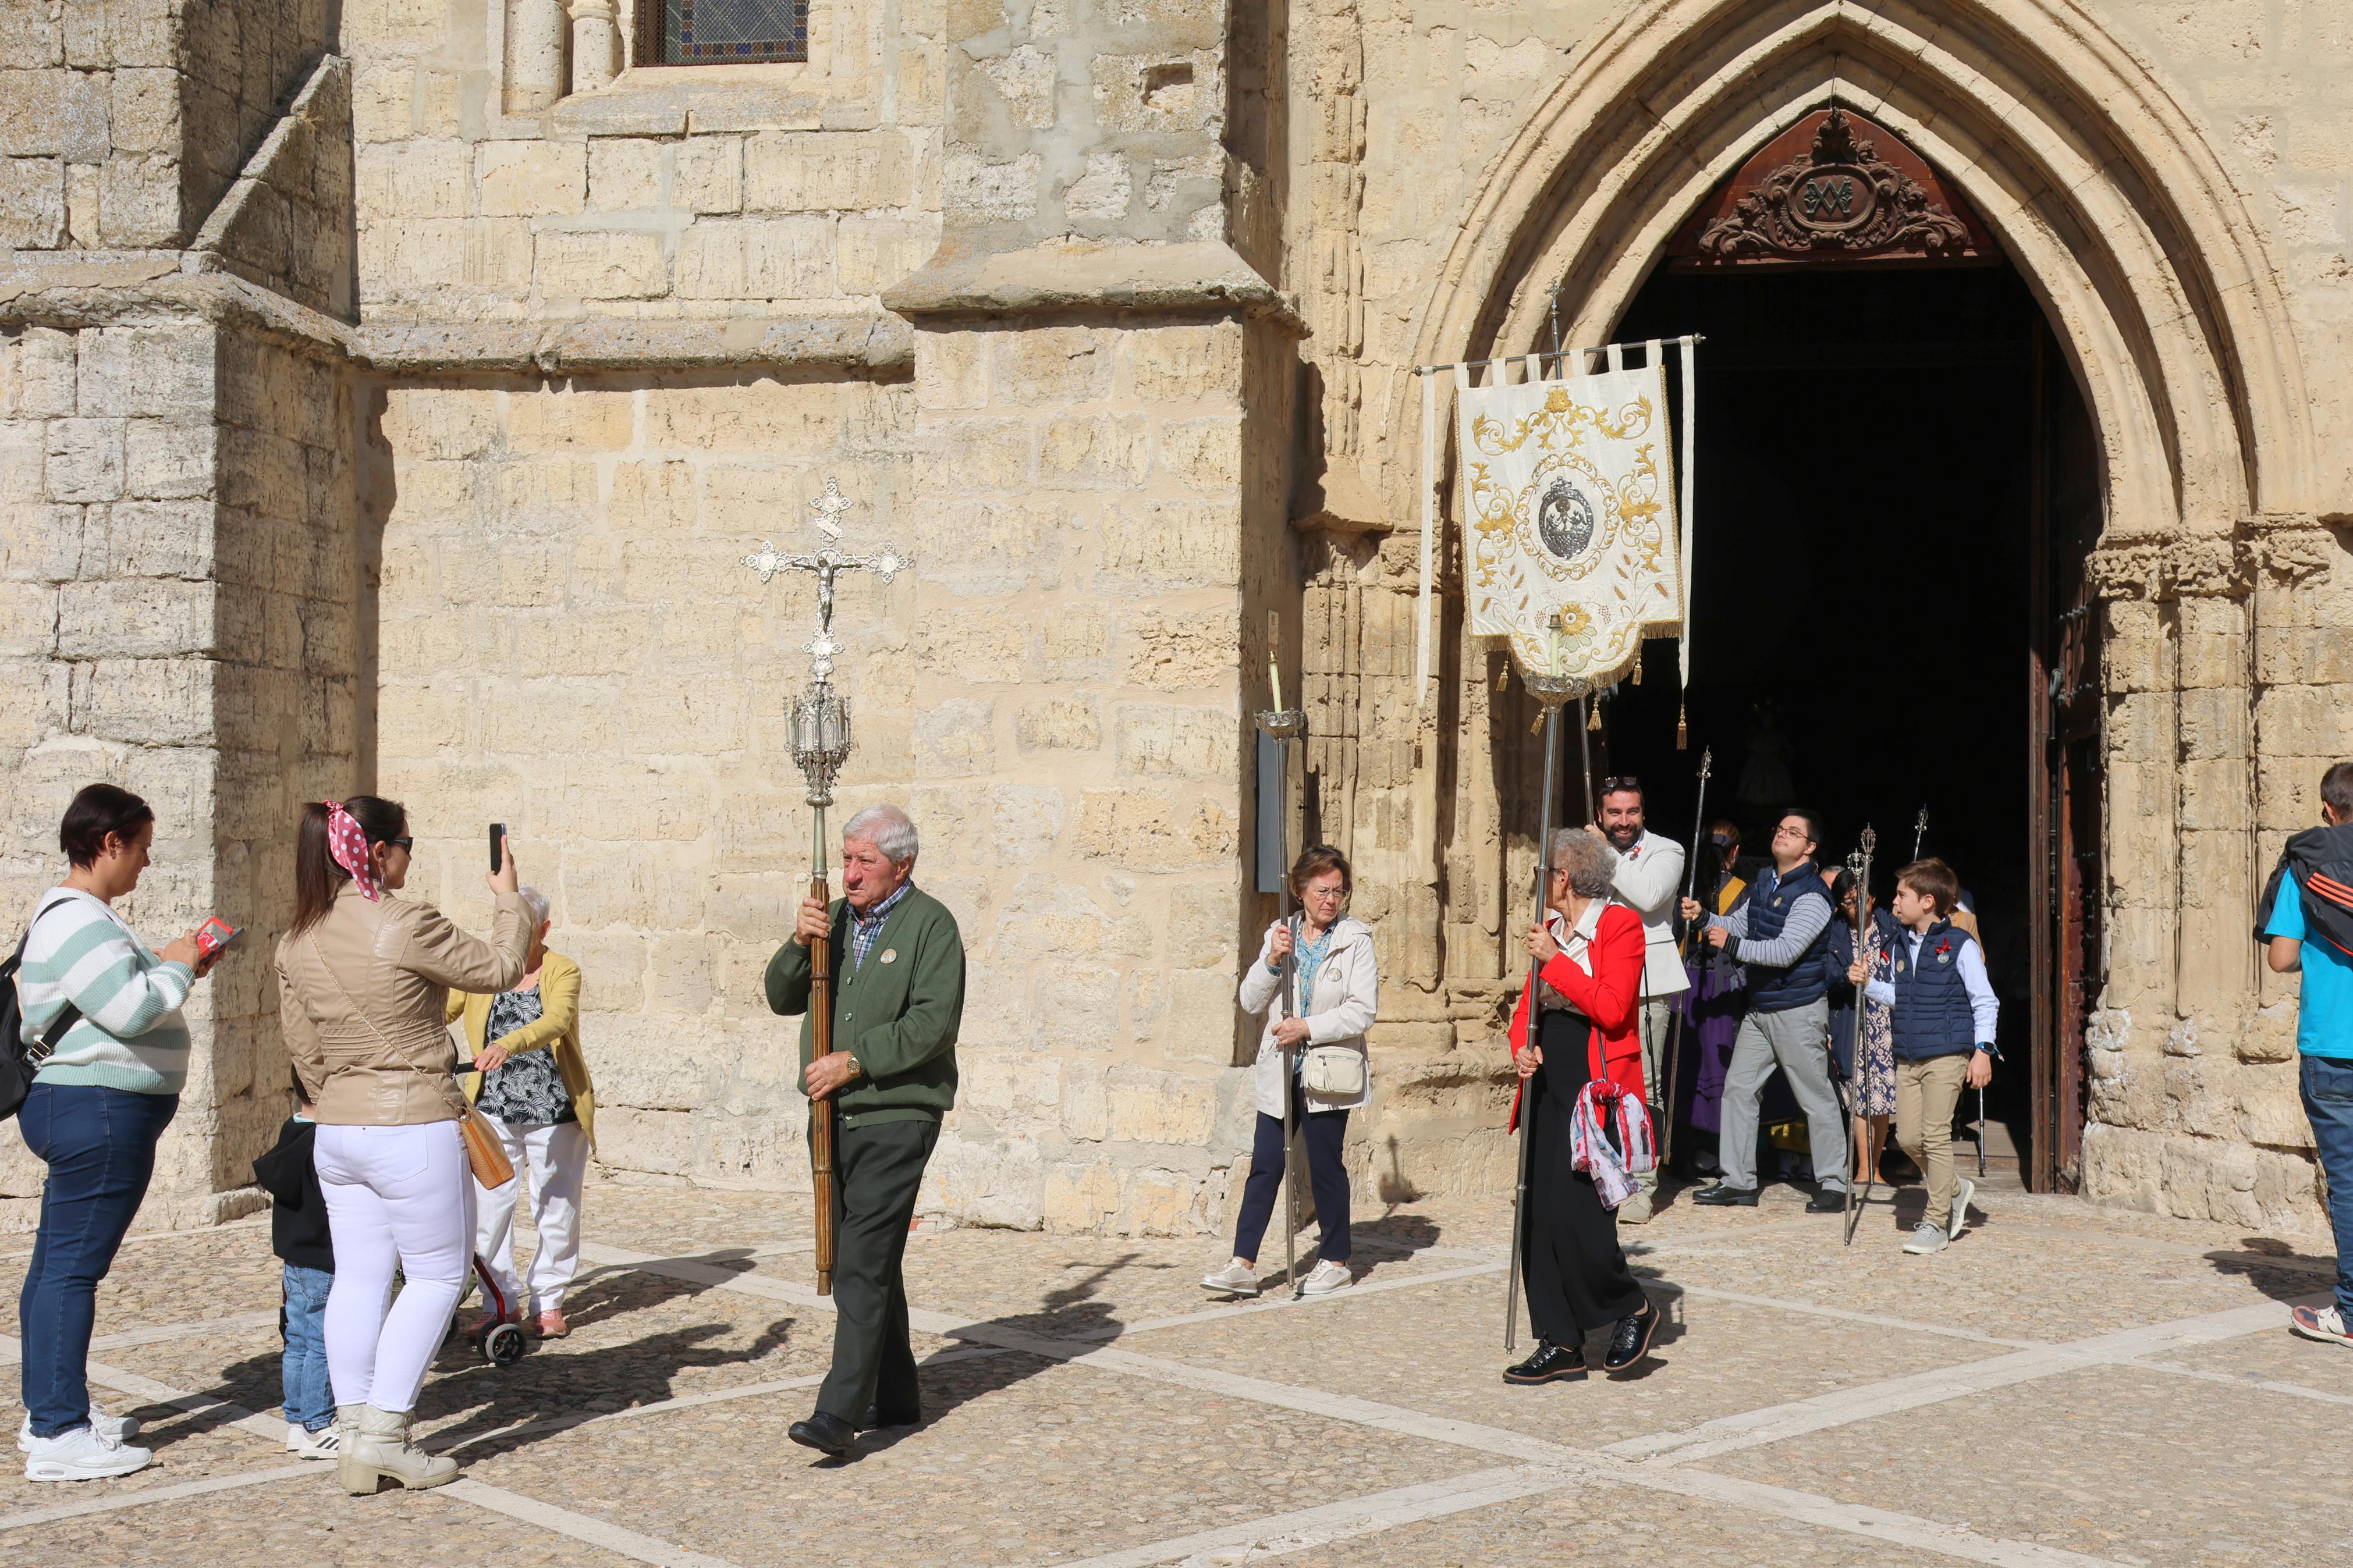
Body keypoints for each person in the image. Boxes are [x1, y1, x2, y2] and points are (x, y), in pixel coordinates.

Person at [277, 797, 530, 1495]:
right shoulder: (404, 920)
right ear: (379, 851)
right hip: (410, 1122)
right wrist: (509, 899)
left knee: (359, 1277)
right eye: (407, 843)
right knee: (436, 1277)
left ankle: (357, 1431)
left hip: (337, 1128)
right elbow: (503, 967)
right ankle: (384, 1435)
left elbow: (303, 1050)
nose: (410, 857)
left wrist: (345, 1092)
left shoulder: (296, 938)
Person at [16, 784, 222, 1482]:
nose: (145, 865)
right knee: (73, 1271)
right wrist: (179, 964)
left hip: (94, 1110)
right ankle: (57, 1432)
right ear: (110, 843)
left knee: (56, 1265)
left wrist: (174, 964)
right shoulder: (77, 920)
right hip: (96, 1111)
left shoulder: (83, 917)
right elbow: (132, 1010)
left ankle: (53, 1404)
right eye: (141, 849)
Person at [765, 803, 966, 1459]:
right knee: (874, 1259)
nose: (848, 874)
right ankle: (899, 1392)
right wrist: (799, 942)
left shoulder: (931, 926)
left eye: (864, 862)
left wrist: (855, 1059)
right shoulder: (836, 919)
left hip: (896, 1113)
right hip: (832, 1116)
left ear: (901, 866)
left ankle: (838, 1412)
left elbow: (932, 1023)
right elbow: (779, 994)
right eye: (846, 859)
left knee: (858, 1261)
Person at [1502, 829, 1659, 1384]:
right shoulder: (1549, 929)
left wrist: (1556, 959)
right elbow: (1527, 1006)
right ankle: (1559, 1338)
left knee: (1579, 1216)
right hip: (1547, 1080)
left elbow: (1613, 1009)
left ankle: (1631, 1306)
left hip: (1594, 1088)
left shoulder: (1618, 925)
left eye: (1546, 871)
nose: (1542, 880)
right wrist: (1520, 1045)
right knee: (1539, 1218)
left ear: (1562, 877)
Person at [1202, 845, 1378, 1299]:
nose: (1330, 900)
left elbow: (1362, 1011)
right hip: (1281, 1068)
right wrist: (1270, 962)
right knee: (1265, 1164)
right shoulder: (1278, 935)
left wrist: (1308, 1026)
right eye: (1321, 890)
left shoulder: (1355, 940)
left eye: (1338, 891)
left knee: (1325, 1166)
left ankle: (1335, 1258)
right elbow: (1250, 1001)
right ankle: (1243, 1262)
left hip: (1326, 1069)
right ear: (1300, 890)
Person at [1680, 808, 1847, 1211]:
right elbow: (1740, 924)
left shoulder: (1814, 896)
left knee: (1815, 1098)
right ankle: (1738, 1181)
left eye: (1793, 832)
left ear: (1809, 847)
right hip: (1761, 1007)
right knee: (1738, 1090)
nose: (1781, 836)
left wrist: (1730, 945)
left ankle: (1836, 1184)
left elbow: (1784, 951)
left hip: (1797, 1008)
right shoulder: (1763, 881)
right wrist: (1705, 918)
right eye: (1779, 830)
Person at [449, 886, 594, 1340]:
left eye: (523, 926)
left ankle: (548, 1301)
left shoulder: (563, 969)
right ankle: (498, 1301)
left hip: (554, 1107)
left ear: (543, 929)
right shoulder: (486, 967)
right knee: (490, 1208)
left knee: (556, 1205)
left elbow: (557, 1019)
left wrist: (506, 1043)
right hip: (491, 1106)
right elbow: (438, 1006)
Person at [1853, 858, 1996, 1254]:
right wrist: (1869, 985)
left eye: (1901, 895)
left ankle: (1936, 1221)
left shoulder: (1959, 945)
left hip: (1947, 1053)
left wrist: (1983, 1051)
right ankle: (1952, 1187)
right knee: (1908, 1136)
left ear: (1928, 901)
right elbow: (1903, 997)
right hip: (1908, 1053)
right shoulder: (1899, 943)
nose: (1894, 902)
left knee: (1934, 1135)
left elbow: (1984, 1001)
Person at [2263, 761, 2353, 1347]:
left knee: (2346, 1180)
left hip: (2331, 1042)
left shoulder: (2306, 866)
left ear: (2327, 809)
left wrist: (2315, 958)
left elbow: (2278, 958)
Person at [1589, 778, 1685, 1225]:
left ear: (1643, 812)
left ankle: (1643, 1185)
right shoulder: (1588, 844)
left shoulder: (1667, 850)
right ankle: (1598, 1173)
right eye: (1614, 813)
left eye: (1632, 812)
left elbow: (1647, 896)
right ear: (1601, 813)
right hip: (1593, 978)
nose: (1623, 822)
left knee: (1642, 1084)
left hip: (1647, 981)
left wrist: (1600, 853)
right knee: (1592, 1079)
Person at [251, 1071, 336, 1459]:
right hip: (323, 1255)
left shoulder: (292, 1130)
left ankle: (297, 1422)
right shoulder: (325, 1140)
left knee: (298, 1340)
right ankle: (319, 1424)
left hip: (294, 1256)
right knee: (321, 1341)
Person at [1680, 820, 1749, 1171]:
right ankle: (1715, 1149)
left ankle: (1687, 1148)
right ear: (1734, 853)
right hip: (1719, 986)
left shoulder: (1687, 886)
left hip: (1689, 982)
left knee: (1691, 1062)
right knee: (1717, 1065)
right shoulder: (1740, 890)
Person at [1826, 872, 1897, 1188]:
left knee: (1880, 1095)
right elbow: (1825, 972)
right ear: (1840, 906)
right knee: (1857, 1094)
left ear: (1873, 895)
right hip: (1851, 1017)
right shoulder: (1836, 933)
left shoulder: (1892, 927)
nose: (1856, 906)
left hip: (1884, 1019)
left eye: (1861, 897)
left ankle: (1877, 1166)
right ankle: (1863, 1168)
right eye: (1848, 902)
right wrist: (1846, 974)